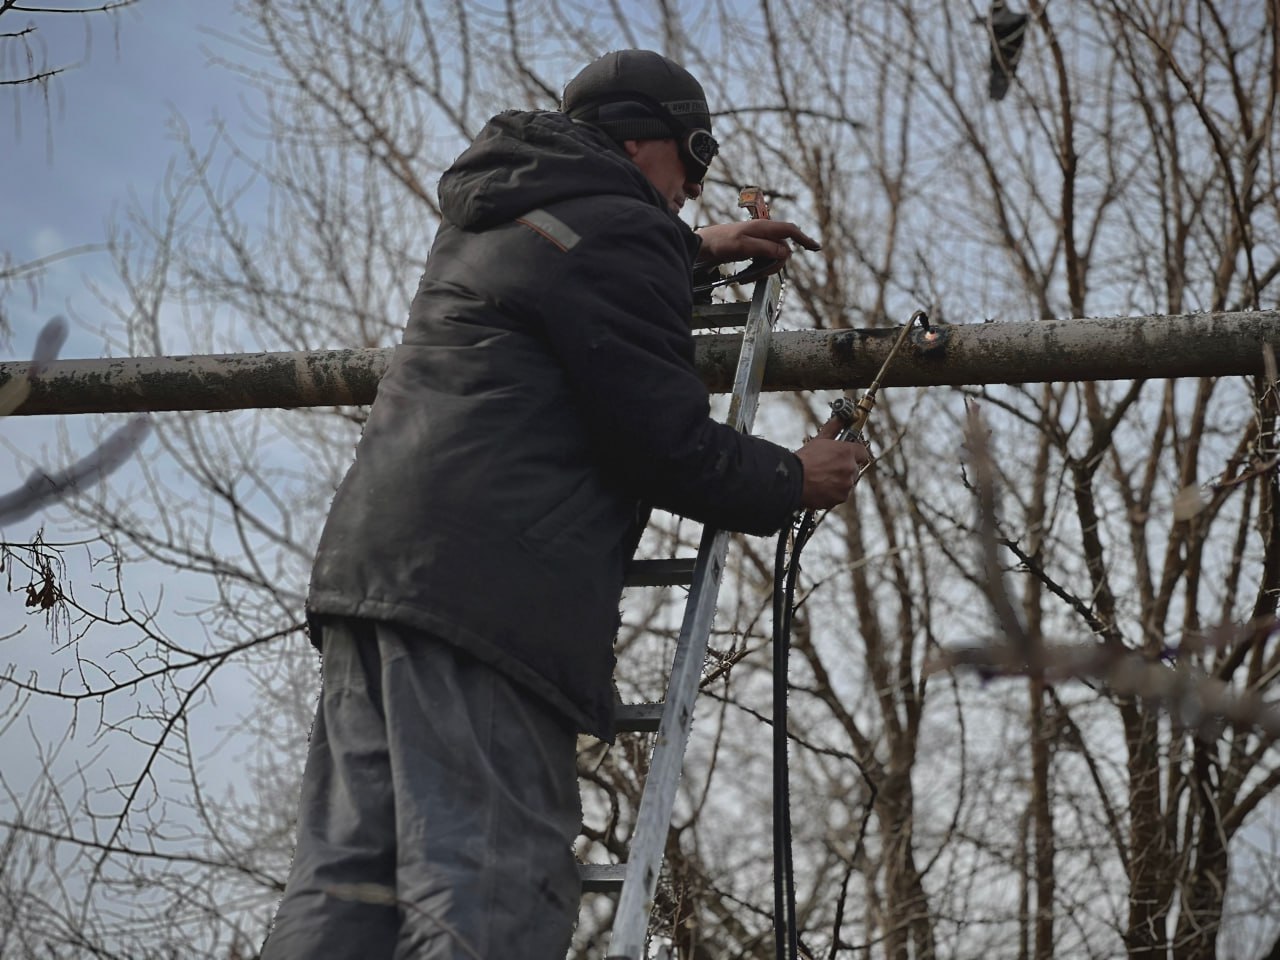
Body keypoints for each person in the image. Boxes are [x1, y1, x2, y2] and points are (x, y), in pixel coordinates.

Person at [261, 49, 869, 960]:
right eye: (692, 161)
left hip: (374, 580)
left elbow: (566, 280)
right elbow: (661, 442)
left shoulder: (498, 216)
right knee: (483, 884)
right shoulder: (616, 231)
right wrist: (794, 478)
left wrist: (691, 249)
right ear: (642, 140)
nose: (692, 189)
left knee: (349, 882)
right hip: (488, 598)